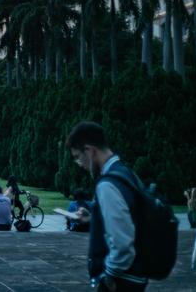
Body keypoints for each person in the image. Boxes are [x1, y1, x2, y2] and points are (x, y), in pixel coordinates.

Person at [66, 121, 147, 291]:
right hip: (136, 274)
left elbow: (122, 243)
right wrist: (91, 217)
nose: (79, 164)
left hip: (120, 280)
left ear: (89, 150)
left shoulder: (108, 184)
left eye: (78, 157)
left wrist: (108, 276)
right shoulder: (126, 173)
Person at [185, 187, 196, 270]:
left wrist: (188, 196)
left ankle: (193, 263)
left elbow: (190, 203)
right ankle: (193, 263)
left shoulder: (191, 202)